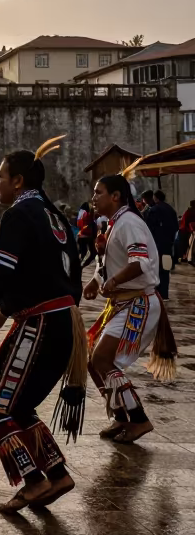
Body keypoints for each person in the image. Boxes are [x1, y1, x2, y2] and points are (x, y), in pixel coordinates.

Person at [0, 137, 86, 513]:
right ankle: (57, 474)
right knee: (19, 405)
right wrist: (8, 310)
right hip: (64, 319)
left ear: (18, 181)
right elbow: (56, 273)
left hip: (43, 324)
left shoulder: (19, 213)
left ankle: (33, 481)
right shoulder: (54, 215)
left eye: (1, 175)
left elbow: (3, 267)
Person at [84, 174, 177, 444]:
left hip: (139, 304)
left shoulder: (129, 223)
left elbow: (139, 262)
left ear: (115, 196)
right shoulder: (115, 223)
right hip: (124, 303)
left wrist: (112, 281)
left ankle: (138, 420)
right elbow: (112, 261)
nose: (94, 197)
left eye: (98, 192)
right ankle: (121, 416)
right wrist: (96, 280)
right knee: (93, 361)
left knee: (102, 359)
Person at [144, 189, 179, 299]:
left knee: (156, 268)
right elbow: (176, 227)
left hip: (156, 244)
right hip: (168, 243)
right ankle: (164, 293)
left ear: (156, 198)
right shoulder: (171, 209)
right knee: (165, 268)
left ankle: (157, 292)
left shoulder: (154, 209)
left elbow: (149, 228)